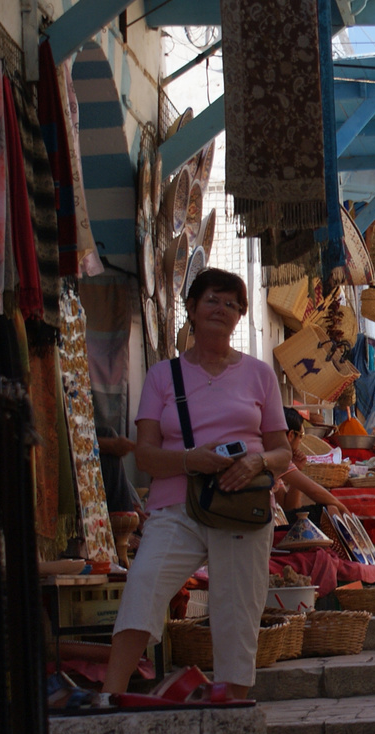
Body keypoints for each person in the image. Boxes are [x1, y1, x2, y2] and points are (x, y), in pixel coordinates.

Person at [104, 269, 291, 697]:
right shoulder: (161, 377)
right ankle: (109, 696)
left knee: (237, 610)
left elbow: (283, 452)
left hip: (242, 507)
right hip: (175, 506)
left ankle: (232, 707)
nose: (221, 310)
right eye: (212, 300)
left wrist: (256, 461)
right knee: (143, 586)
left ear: (241, 316)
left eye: (231, 304)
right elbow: (145, 454)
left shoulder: (260, 375)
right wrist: (191, 461)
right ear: (190, 308)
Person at [278, 408, 352, 517]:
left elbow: (289, 506)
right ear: (291, 435)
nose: (300, 441)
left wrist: (297, 469)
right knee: (328, 509)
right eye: (301, 435)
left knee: (329, 508)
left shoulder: (278, 456)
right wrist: (341, 507)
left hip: (276, 517)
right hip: (270, 522)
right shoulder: (278, 457)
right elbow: (312, 490)